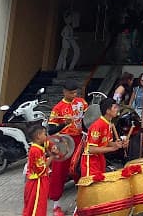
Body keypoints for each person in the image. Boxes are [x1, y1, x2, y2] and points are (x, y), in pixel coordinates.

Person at [47, 82, 88, 216]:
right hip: (64, 142)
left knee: (80, 169)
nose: (74, 95)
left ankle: (81, 203)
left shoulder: (82, 103)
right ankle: (56, 206)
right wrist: (64, 123)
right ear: (64, 92)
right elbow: (51, 130)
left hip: (79, 140)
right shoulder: (58, 108)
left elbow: (89, 119)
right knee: (59, 172)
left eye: (76, 92)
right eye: (71, 93)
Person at [82, 98, 127, 177]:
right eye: (115, 107)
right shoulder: (97, 125)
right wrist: (112, 148)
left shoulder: (109, 123)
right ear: (108, 111)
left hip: (100, 158)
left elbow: (108, 143)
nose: (117, 109)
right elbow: (91, 149)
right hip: (91, 161)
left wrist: (118, 144)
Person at [23, 125, 50, 216]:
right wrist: (53, 157)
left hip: (37, 181)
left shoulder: (37, 149)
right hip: (37, 183)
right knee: (37, 206)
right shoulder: (35, 150)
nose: (46, 136)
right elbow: (41, 169)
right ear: (38, 135)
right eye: (44, 134)